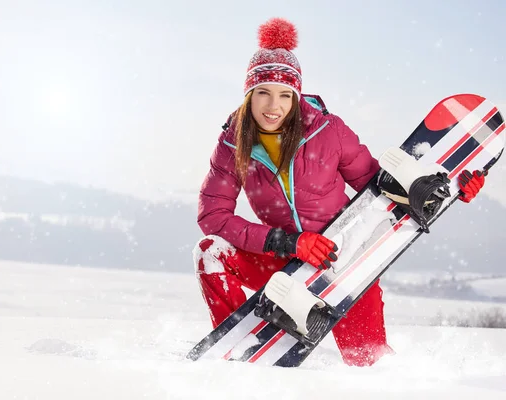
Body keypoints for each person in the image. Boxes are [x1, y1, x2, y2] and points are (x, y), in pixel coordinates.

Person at [192, 17, 487, 367]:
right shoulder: (231, 144)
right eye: (263, 93)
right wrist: (284, 243)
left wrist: (451, 188)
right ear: (248, 95)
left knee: (371, 367)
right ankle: (239, 341)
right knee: (210, 253)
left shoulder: (327, 131)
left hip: (344, 259)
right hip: (282, 266)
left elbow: (377, 184)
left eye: (285, 95)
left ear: (297, 96)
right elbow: (212, 216)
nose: (274, 106)